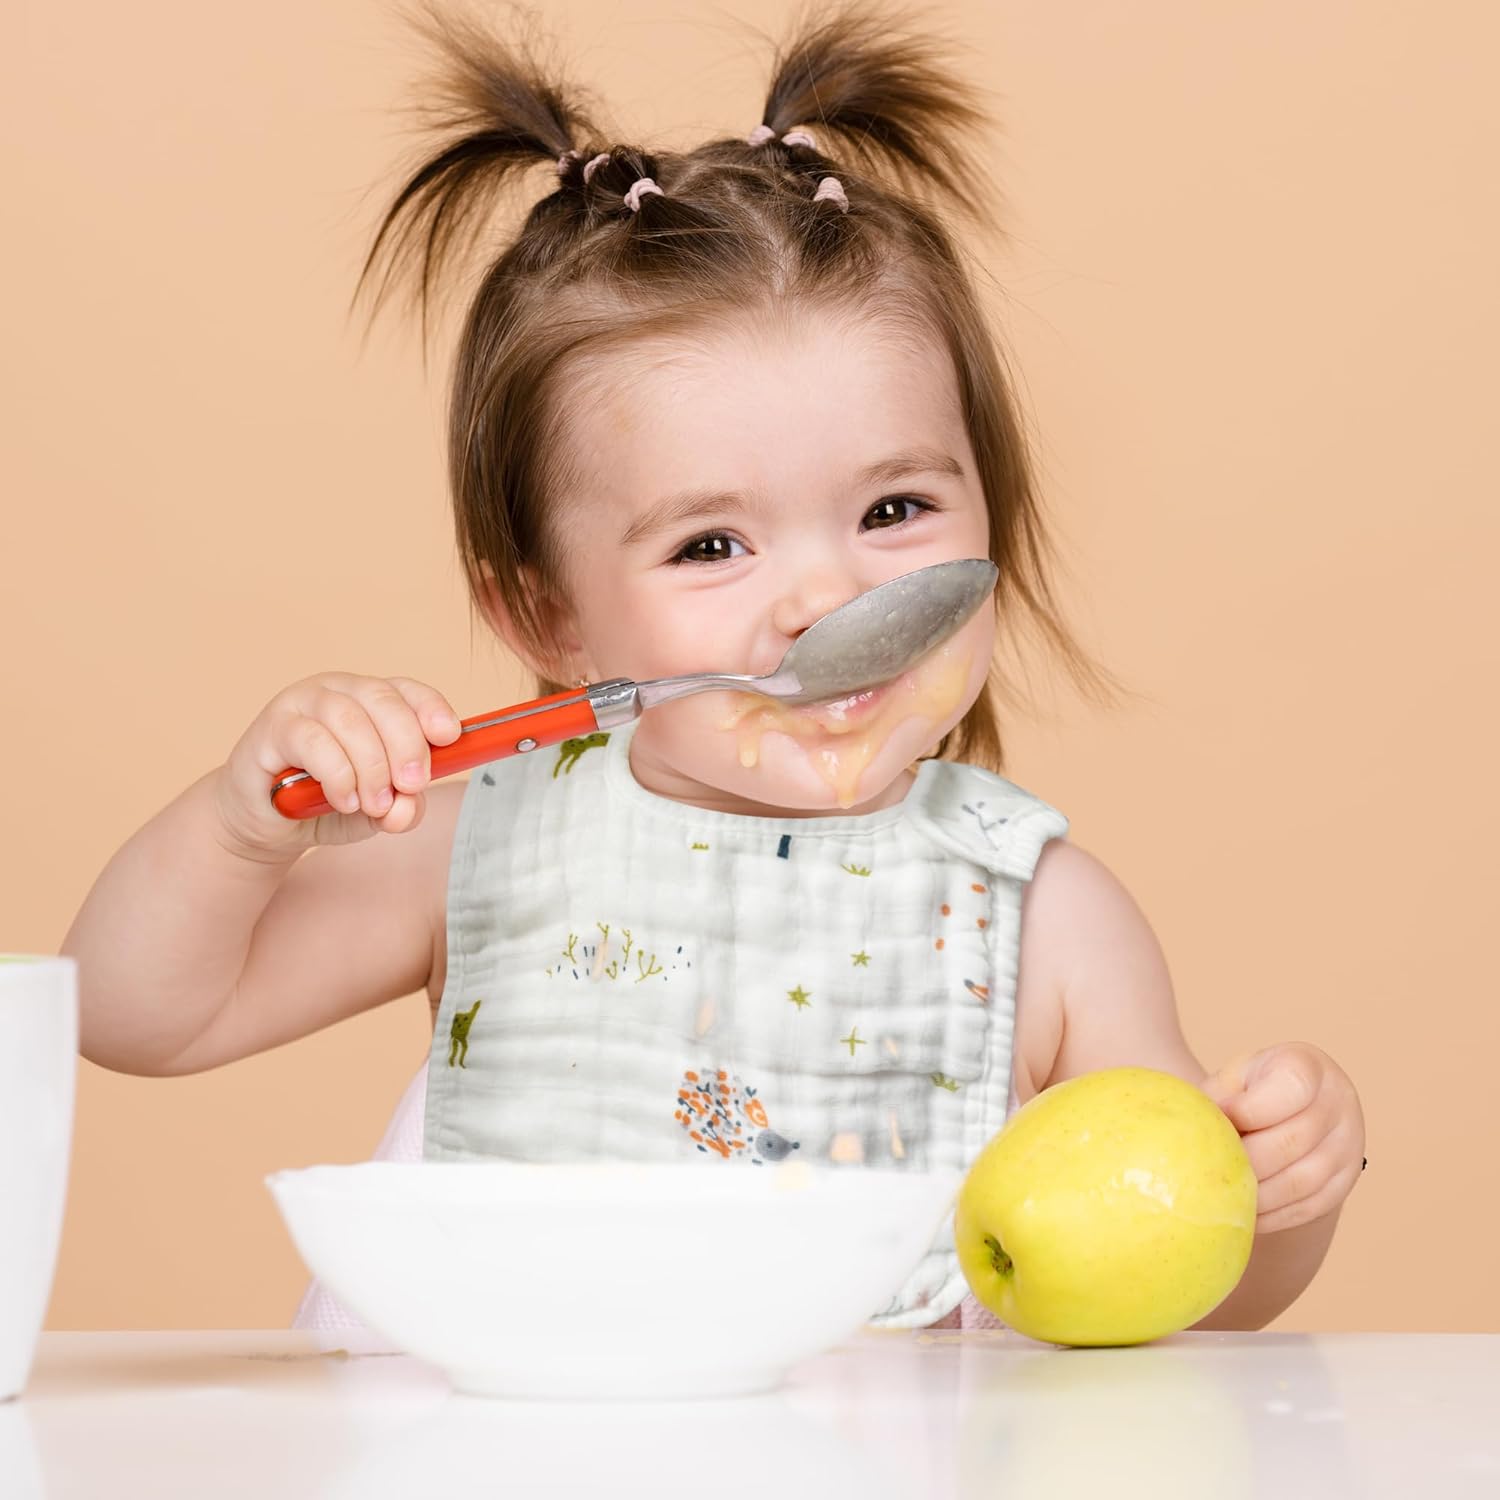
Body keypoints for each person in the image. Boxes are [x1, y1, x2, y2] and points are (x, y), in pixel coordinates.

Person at [63, 1, 1365, 1334]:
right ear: (549, 619)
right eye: (711, 545)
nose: (825, 597)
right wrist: (240, 829)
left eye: (895, 510)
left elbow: (1182, 1274)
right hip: (491, 1434)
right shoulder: (483, 845)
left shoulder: (1041, 918)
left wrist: (1281, 1196)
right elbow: (125, 1015)